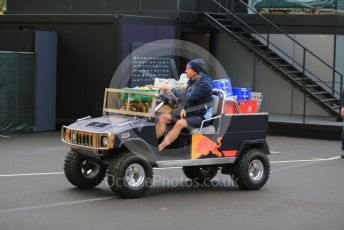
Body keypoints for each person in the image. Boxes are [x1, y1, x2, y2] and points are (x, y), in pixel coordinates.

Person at [156, 58, 213, 151]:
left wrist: (172, 88)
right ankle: (153, 143)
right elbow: (186, 100)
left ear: (195, 72)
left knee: (180, 123)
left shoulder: (204, 84)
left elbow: (188, 98)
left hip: (201, 116)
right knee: (164, 117)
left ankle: (160, 148)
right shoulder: (191, 82)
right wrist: (183, 108)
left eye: (188, 69)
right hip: (190, 113)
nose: (185, 71)